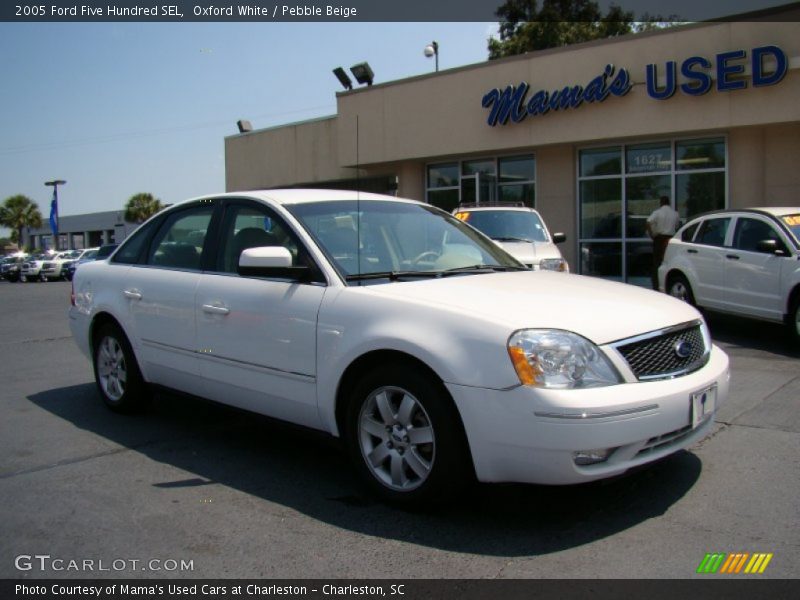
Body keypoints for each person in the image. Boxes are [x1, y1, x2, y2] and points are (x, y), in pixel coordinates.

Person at [646, 196, 680, 291]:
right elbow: (677, 226)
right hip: (670, 240)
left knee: (657, 263)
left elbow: (648, 222)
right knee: (669, 262)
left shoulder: (657, 212)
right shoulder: (675, 214)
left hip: (659, 239)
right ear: (669, 203)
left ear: (661, 203)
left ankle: (657, 286)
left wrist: (652, 235)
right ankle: (667, 285)